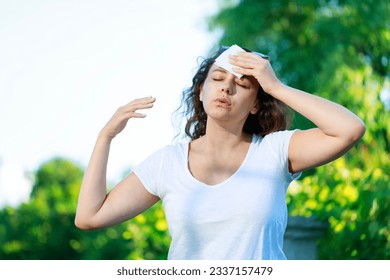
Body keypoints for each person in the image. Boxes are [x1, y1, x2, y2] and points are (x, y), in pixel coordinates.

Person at [75, 45, 365, 260]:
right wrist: (105, 138)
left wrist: (275, 86)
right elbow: (89, 216)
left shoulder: (274, 151)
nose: (226, 87)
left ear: (255, 104)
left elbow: (349, 129)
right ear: (201, 92)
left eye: (241, 83)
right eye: (217, 79)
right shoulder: (168, 162)